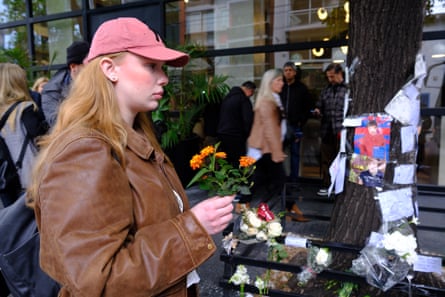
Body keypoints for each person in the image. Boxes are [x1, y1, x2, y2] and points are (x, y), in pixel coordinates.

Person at [27, 17, 234, 297]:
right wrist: (193, 228)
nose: (163, 78)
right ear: (110, 69)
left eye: (162, 68)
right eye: (151, 66)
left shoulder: (136, 136)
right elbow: (99, 282)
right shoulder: (85, 151)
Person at [242, 69, 308, 221]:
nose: (282, 83)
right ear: (269, 82)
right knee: (275, 181)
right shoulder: (267, 102)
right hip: (266, 149)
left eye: (282, 80)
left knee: (265, 181)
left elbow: (278, 126)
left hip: (267, 149)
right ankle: (280, 211)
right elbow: (270, 129)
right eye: (278, 80)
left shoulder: (274, 99)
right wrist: (277, 152)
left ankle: (250, 205)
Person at [0, 63, 48, 209]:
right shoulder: (25, 109)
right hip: (31, 179)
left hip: (9, 183)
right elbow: (41, 138)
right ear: (17, 82)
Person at [313, 63, 347, 196]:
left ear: (340, 74)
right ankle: (327, 184)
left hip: (340, 130)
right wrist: (317, 109)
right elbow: (319, 103)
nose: (330, 79)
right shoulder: (326, 90)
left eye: (332, 76)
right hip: (327, 129)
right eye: (328, 77)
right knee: (326, 159)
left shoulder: (347, 89)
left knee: (341, 159)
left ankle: (339, 186)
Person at [41, 40, 90, 127]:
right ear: (73, 67)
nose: (93, 69)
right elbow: (57, 125)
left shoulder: (99, 80)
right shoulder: (52, 91)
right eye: (88, 65)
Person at [280, 61, 313, 184]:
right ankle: (281, 180)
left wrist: (301, 122)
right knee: (279, 153)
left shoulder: (301, 88)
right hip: (281, 126)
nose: (288, 72)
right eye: (286, 70)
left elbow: (307, 107)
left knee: (295, 154)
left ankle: (294, 180)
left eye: (290, 70)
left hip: (295, 126)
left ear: (294, 72)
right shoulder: (280, 87)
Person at [217, 80, 256, 166]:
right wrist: (247, 134)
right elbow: (248, 120)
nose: (251, 96)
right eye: (252, 93)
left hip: (223, 133)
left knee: (226, 162)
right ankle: (237, 179)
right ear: (250, 90)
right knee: (238, 162)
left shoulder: (227, 98)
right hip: (236, 136)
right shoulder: (243, 99)